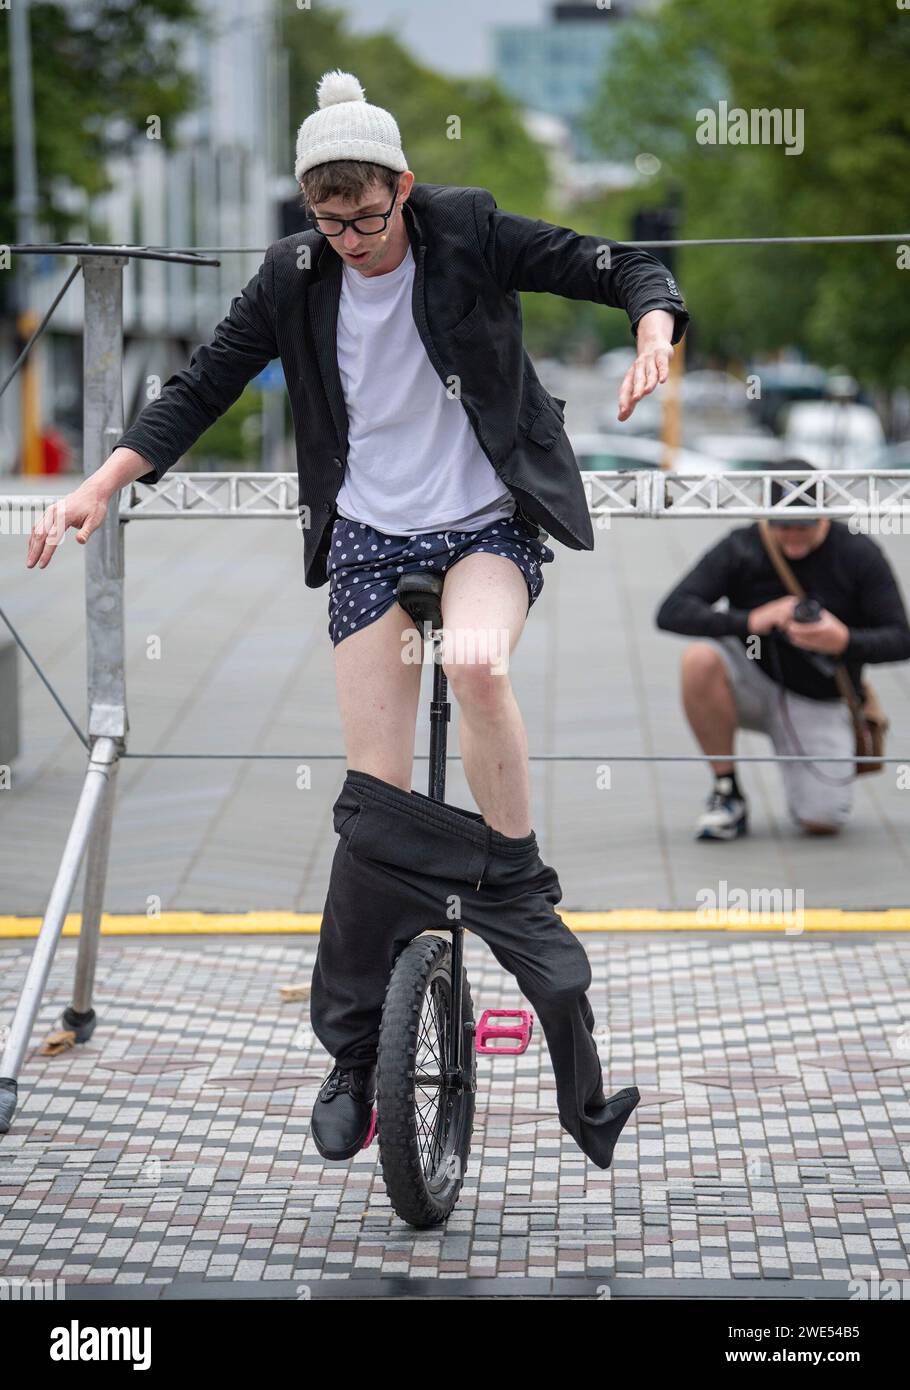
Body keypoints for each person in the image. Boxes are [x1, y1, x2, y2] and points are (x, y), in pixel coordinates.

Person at [26, 70, 688, 1169]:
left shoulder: (466, 229)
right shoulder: (293, 273)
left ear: (403, 187)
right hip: (373, 538)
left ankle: (515, 876)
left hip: (484, 516)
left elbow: (610, 263)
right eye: (330, 221)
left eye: (369, 217)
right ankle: (350, 1056)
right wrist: (105, 481)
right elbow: (201, 385)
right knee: (373, 804)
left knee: (476, 666)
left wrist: (654, 324)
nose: (354, 240)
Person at [655, 465, 910, 839]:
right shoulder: (743, 545)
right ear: (765, 513)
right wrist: (751, 620)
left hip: (818, 694)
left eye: (802, 525)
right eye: (782, 524)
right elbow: (670, 612)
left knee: (823, 819)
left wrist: (844, 641)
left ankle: (809, 761)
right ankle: (727, 791)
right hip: (752, 679)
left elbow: (902, 638)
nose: (791, 535)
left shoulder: (858, 553)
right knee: (700, 658)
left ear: (824, 513)